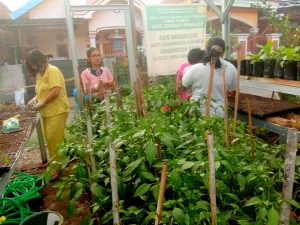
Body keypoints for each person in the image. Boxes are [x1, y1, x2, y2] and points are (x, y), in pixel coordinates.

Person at [26, 49, 70, 162]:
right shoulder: (40, 74)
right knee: (50, 139)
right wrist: (34, 99)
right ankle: (57, 162)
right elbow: (42, 91)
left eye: (34, 64)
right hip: (47, 112)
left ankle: (58, 166)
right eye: (31, 65)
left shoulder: (52, 71)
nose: (33, 67)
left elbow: (55, 90)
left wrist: (42, 103)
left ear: (40, 61)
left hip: (57, 111)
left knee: (55, 139)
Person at [182, 37, 237, 117]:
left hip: (196, 113)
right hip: (219, 114)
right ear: (223, 52)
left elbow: (182, 86)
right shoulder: (231, 68)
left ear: (206, 50)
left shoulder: (196, 67)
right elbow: (234, 92)